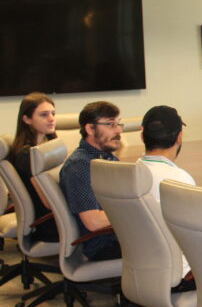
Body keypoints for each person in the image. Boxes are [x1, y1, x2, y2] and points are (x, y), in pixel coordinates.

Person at [137, 105, 196, 280]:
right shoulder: (180, 180)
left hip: (144, 265)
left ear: (142, 135)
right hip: (182, 272)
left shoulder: (132, 172)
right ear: (179, 137)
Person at [59, 101, 123, 261]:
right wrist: (137, 211)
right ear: (90, 129)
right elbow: (93, 222)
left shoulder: (105, 157)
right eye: (110, 124)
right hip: (102, 244)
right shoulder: (80, 166)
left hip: (117, 234)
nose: (118, 130)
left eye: (118, 124)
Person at [9, 92, 59, 242]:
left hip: (56, 217)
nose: (51, 119)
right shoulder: (28, 155)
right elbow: (49, 202)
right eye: (44, 115)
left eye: (53, 113)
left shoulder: (45, 147)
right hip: (50, 223)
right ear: (27, 119)